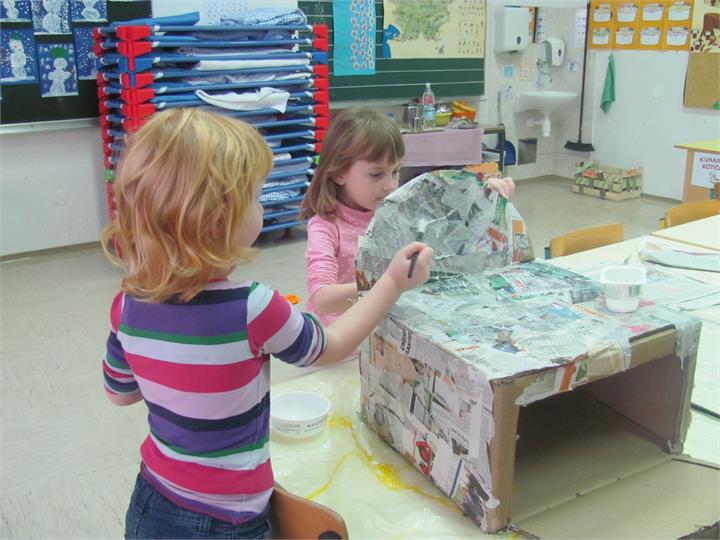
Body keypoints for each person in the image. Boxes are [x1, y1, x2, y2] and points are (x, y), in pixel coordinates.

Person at [100, 108, 433, 540]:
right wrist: (391, 283)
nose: (261, 206)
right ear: (219, 220)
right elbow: (330, 345)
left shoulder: (125, 306)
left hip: (152, 499)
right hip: (228, 518)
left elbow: (120, 393)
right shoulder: (253, 307)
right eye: (255, 197)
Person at [301, 107, 515, 326]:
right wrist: (390, 283)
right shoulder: (326, 227)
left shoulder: (401, 208)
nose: (390, 185)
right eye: (376, 174)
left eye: (395, 171)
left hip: (390, 326)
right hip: (344, 335)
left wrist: (484, 196)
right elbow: (322, 300)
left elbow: (455, 236)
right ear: (339, 173)